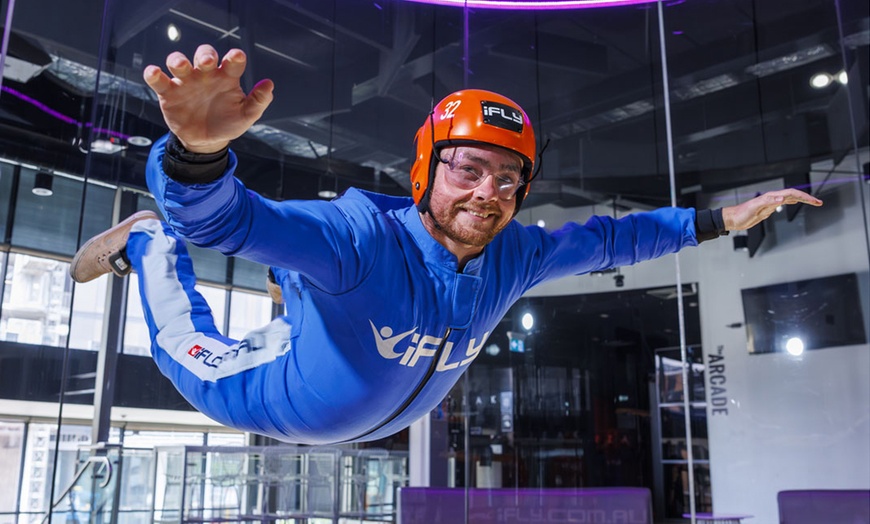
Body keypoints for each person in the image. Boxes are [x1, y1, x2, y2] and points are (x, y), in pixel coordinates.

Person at [69, 45, 822, 445]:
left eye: (507, 178)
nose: (486, 192)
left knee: (311, 298)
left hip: (367, 403)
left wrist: (717, 222)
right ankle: (142, 244)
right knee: (182, 345)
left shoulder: (513, 257)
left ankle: (290, 296)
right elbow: (225, 223)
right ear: (427, 168)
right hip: (276, 398)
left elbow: (610, 239)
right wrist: (195, 159)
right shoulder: (359, 237)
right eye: (468, 169)